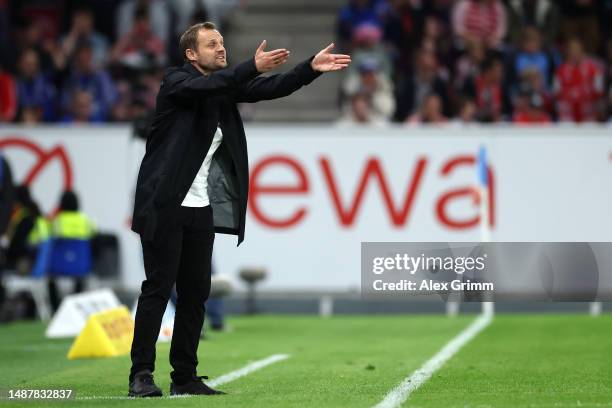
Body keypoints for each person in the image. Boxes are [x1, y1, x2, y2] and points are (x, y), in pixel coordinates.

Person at [128, 21, 350, 397]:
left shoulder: (223, 88)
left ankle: (184, 377)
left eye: (222, 42)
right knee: (158, 289)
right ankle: (141, 375)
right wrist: (250, 66)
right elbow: (211, 84)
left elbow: (269, 88)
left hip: (200, 207)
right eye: (211, 44)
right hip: (165, 205)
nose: (221, 47)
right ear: (191, 54)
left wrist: (309, 68)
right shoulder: (176, 82)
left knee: (196, 293)